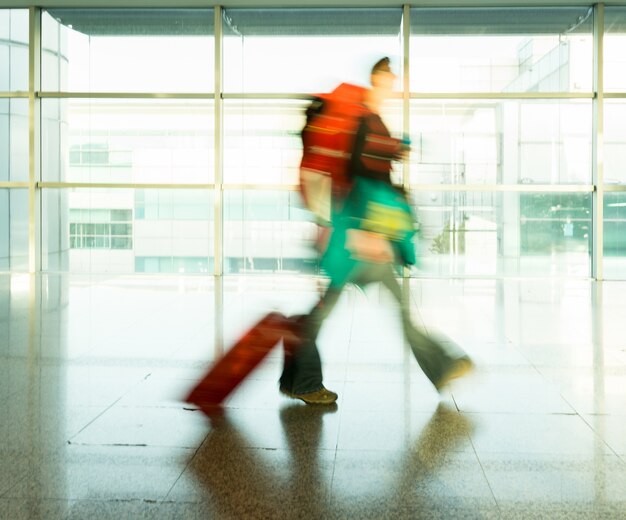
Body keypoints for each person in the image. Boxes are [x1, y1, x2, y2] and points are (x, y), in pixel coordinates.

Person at [280, 58, 473, 405]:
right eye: (391, 79)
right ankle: (301, 376)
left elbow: (363, 173)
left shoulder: (367, 119)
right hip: (354, 238)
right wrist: (365, 234)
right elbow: (361, 176)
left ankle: (301, 377)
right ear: (381, 79)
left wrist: (394, 151)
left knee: (349, 309)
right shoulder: (366, 120)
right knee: (335, 311)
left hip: (352, 235)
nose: (394, 85)